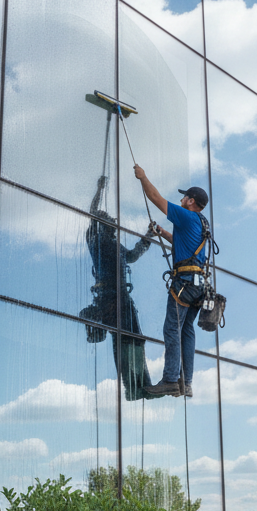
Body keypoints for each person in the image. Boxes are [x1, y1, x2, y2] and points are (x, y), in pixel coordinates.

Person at [132, 164, 209, 398]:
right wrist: (163, 233)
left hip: (184, 284)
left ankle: (169, 380)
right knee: (186, 331)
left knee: (172, 329)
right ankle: (186, 383)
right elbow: (184, 245)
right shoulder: (201, 223)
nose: (183, 199)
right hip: (198, 286)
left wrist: (143, 177)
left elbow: (155, 197)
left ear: (191, 200)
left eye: (185, 197)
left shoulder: (186, 215)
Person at [81, 176, 153, 400]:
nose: (113, 223)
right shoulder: (96, 242)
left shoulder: (114, 244)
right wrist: (99, 188)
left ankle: (141, 385)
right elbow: (93, 211)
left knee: (135, 339)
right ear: (100, 225)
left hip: (122, 298)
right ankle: (131, 387)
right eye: (108, 221)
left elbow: (131, 255)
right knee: (122, 340)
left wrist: (148, 237)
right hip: (109, 298)